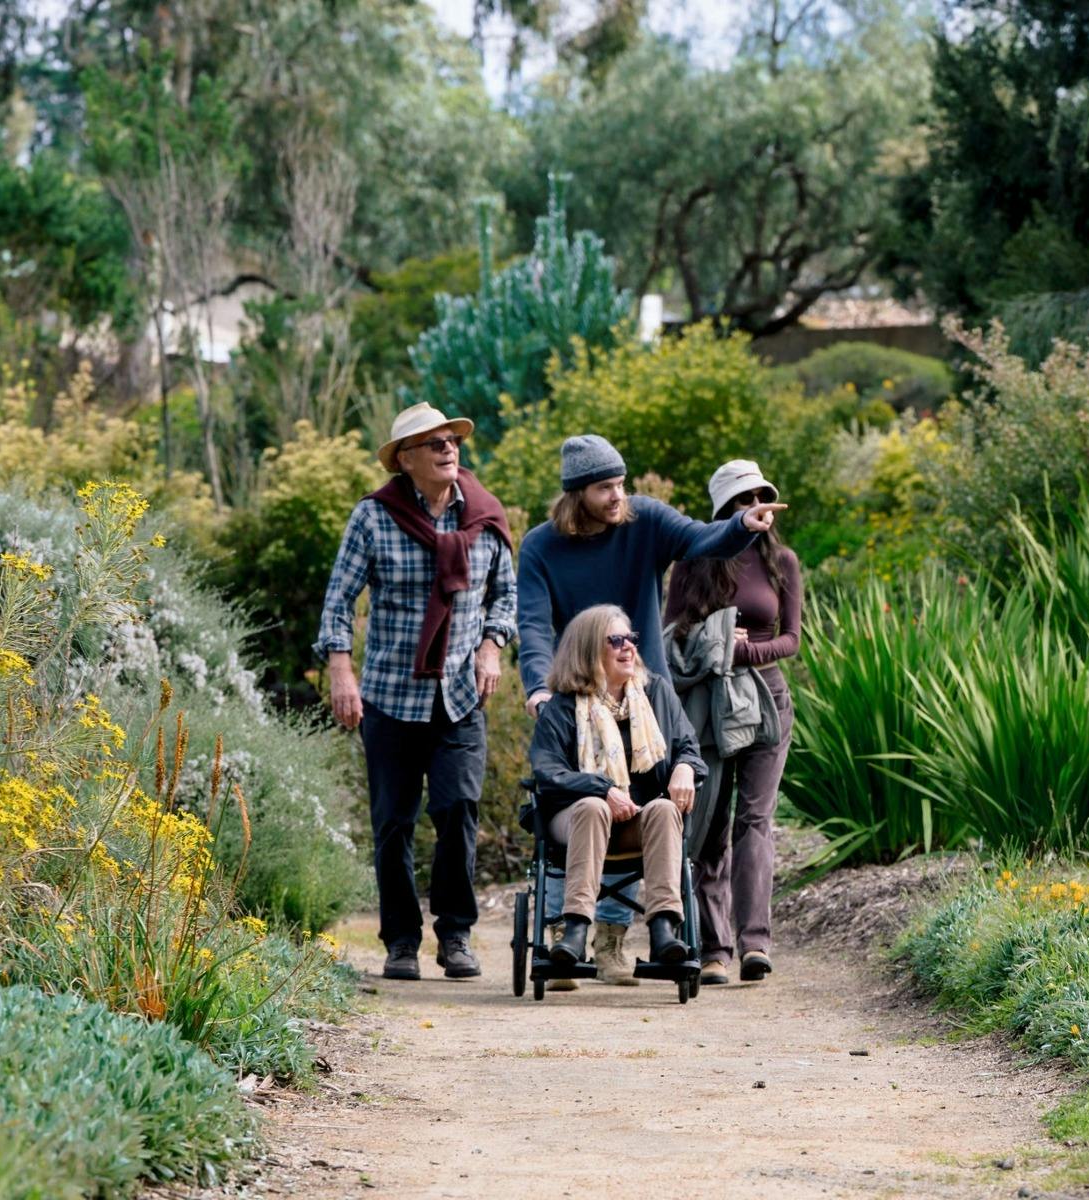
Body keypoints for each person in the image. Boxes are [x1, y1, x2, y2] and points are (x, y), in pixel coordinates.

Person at [517, 434, 783, 985]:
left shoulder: (645, 522)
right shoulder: (542, 546)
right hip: (575, 693)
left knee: (645, 800)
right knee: (584, 803)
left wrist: (741, 526)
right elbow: (534, 626)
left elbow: (700, 539)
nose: (618, 495)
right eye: (604, 487)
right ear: (576, 495)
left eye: (620, 483)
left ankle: (616, 940)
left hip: (641, 696)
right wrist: (541, 689)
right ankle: (561, 934)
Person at [315, 402, 516, 982]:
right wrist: (341, 671)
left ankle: (455, 934)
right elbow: (338, 600)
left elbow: (506, 594)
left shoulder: (484, 515)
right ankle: (401, 941)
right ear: (405, 460)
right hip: (390, 697)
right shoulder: (374, 518)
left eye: (452, 439)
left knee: (457, 809)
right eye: (433, 444)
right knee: (394, 823)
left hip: (458, 695)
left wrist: (491, 647)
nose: (448, 449)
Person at [664, 460, 802, 985]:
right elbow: (669, 632)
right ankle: (714, 947)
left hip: (768, 697)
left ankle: (754, 944)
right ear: (724, 510)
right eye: (744, 500)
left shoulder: (781, 562)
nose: (756, 507)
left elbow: (791, 639)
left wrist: (743, 652)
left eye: (762, 496)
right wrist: (717, 639)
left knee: (756, 820)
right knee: (711, 821)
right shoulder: (694, 562)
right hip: (708, 701)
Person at [529, 605, 704, 970]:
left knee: (664, 808)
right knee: (593, 807)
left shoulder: (656, 695)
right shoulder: (563, 706)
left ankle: (663, 930)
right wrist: (602, 788)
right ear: (589, 649)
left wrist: (685, 768)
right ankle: (575, 930)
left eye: (631, 639)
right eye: (616, 640)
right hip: (574, 822)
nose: (629, 648)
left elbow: (688, 746)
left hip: (636, 822)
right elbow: (547, 771)